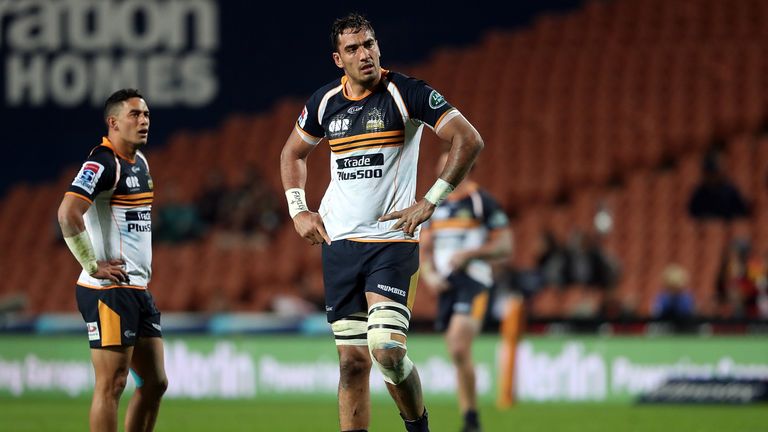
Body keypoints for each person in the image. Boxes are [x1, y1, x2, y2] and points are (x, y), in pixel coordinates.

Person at [279, 13, 483, 432]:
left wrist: (430, 200)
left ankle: (418, 428)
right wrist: (298, 209)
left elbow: (469, 139)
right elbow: (292, 154)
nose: (364, 54)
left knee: (387, 348)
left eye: (369, 44)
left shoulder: (406, 92)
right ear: (338, 59)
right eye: (353, 48)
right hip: (339, 247)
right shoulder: (323, 103)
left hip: (392, 242)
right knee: (352, 364)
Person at [57, 89, 168, 432]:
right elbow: (67, 215)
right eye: (135, 115)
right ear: (113, 122)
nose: (144, 120)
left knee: (155, 382)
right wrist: (93, 265)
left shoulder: (141, 163)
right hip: (109, 290)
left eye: (146, 114)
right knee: (112, 384)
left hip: (137, 289)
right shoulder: (103, 163)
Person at [419, 153, 512, 432]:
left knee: (459, 345)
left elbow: (505, 246)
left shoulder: (481, 202)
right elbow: (424, 250)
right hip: (446, 286)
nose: (442, 171)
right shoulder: (433, 206)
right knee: (458, 354)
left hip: (474, 281)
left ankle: (471, 419)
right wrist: (430, 276)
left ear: (465, 167)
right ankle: (470, 418)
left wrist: (471, 254)